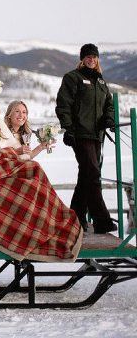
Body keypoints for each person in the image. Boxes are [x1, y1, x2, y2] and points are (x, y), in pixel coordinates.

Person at [0, 85, 82, 262]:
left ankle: (46, 223)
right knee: (32, 174)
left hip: (5, 162)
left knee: (34, 169)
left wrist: (33, 148)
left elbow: (13, 150)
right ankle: (30, 231)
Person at [55, 43, 116, 234]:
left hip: (97, 135)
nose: (91, 59)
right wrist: (68, 128)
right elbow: (63, 104)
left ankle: (75, 217)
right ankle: (101, 220)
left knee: (86, 176)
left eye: (94, 57)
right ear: (82, 59)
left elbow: (109, 104)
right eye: (88, 56)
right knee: (93, 175)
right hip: (80, 134)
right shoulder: (73, 77)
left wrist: (109, 119)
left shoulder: (101, 81)